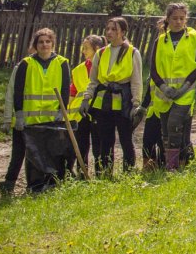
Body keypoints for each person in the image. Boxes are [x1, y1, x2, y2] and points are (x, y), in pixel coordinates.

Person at [10, 27, 72, 192]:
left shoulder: (62, 63)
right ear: (35, 45)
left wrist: (62, 110)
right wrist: (19, 114)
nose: (44, 45)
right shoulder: (26, 64)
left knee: (53, 152)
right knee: (33, 155)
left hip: (52, 119)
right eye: (41, 42)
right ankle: (35, 186)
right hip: (31, 119)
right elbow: (18, 90)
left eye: (48, 41)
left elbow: (65, 89)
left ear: (53, 44)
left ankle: (53, 184)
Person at [81, 17, 143, 176]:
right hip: (104, 102)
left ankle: (128, 174)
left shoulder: (132, 52)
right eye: (108, 29)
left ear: (123, 32)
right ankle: (104, 174)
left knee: (125, 139)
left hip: (123, 101)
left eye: (114, 29)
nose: (109, 32)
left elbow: (136, 81)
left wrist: (136, 104)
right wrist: (86, 99)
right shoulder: (101, 53)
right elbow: (93, 81)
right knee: (105, 141)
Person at [149, 2, 196, 170]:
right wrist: (164, 87)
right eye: (174, 18)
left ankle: (172, 166)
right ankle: (180, 162)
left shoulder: (194, 37)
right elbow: (153, 68)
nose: (178, 22)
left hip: (185, 92)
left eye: (181, 18)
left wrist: (184, 87)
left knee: (174, 123)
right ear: (168, 19)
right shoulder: (161, 40)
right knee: (166, 130)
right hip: (164, 93)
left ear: (186, 19)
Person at [66, 34, 105, 178]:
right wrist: (64, 110)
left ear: (97, 49)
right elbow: (73, 91)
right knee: (81, 145)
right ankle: (82, 174)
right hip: (80, 114)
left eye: (86, 48)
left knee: (98, 145)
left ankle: (101, 173)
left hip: (99, 111)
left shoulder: (105, 67)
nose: (83, 51)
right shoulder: (78, 70)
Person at [0, 58, 26, 197]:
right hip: (21, 122)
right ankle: (9, 184)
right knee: (18, 154)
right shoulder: (20, 68)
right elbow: (11, 94)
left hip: (42, 120)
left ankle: (35, 186)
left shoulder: (54, 66)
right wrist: (8, 119)